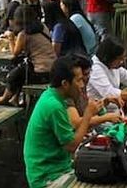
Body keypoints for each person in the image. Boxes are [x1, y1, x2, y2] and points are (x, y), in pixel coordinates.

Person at [23, 55, 101, 188]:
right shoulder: (54, 106)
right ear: (65, 84)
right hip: (47, 177)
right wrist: (88, 115)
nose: (82, 85)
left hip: (60, 166)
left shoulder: (52, 95)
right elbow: (71, 146)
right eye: (79, 80)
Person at [0, 6, 56, 105]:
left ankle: (3, 99)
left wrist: (11, 37)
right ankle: (15, 98)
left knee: (14, 75)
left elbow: (15, 53)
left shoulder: (24, 34)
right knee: (22, 68)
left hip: (42, 73)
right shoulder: (42, 27)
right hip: (53, 69)